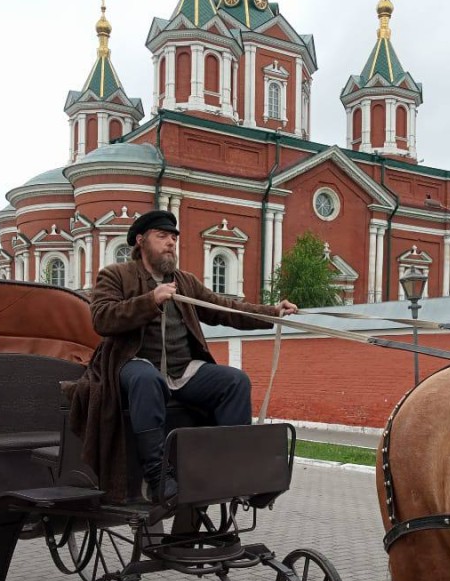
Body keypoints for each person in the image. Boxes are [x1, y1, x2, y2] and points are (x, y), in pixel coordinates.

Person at [70, 209, 297, 504]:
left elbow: (224, 308)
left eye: (173, 238)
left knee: (234, 381)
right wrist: (150, 300)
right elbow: (102, 318)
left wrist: (273, 313)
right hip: (131, 365)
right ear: (140, 241)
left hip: (182, 372)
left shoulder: (185, 282)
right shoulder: (116, 275)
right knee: (146, 378)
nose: (170, 243)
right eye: (162, 236)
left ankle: (232, 472)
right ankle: (157, 477)